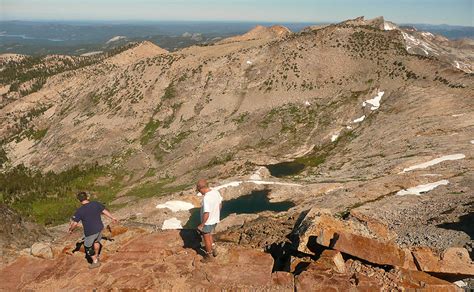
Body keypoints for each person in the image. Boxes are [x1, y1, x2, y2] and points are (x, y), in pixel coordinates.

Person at [68, 191, 118, 269]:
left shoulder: (80, 211)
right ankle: (97, 255)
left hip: (90, 231)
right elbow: (104, 211)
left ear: (79, 200)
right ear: (87, 197)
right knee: (96, 241)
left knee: (87, 246)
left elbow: (74, 223)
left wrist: (71, 230)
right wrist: (113, 218)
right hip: (99, 228)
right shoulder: (95, 204)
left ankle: (95, 261)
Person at [196, 179, 222, 263]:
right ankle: (214, 248)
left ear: (201, 188)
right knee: (209, 234)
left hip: (207, 222)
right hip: (215, 219)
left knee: (206, 237)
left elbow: (206, 213)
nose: (200, 192)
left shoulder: (206, 198)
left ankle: (209, 255)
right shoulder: (215, 192)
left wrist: (202, 224)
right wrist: (216, 213)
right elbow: (220, 204)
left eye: (199, 190)